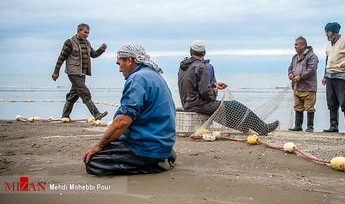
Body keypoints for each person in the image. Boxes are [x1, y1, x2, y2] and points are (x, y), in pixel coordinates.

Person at [83, 42, 176, 176]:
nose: (119, 69)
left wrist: (99, 145)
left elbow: (123, 121)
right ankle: (163, 156)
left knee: (93, 162)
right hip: (162, 142)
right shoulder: (153, 75)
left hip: (147, 144)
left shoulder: (137, 79)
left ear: (129, 60)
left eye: (119, 63)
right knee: (111, 144)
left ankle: (154, 165)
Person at [178, 40, 280, 135]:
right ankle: (263, 128)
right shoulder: (201, 66)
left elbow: (193, 86)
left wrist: (214, 85)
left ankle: (246, 128)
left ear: (190, 52)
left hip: (187, 103)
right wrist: (214, 91)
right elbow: (205, 92)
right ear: (204, 53)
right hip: (197, 104)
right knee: (235, 106)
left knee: (227, 108)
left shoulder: (184, 66)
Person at [52, 23, 108, 120]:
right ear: (78, 31)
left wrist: (101, 50)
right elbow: (61, 58)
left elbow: (93, 54)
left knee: (73, 95)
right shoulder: (69, 42)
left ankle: (65, 116)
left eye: (88, 33)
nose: (87, 34)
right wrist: (56, 72)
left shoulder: (87, 43)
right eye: (85, 32)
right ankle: (96, 114)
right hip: (73, 72)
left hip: (82, 73)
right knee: (85, 92)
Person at [288, 36, 319, 132]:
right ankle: (298, 126)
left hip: (308, 87)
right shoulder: (294, 57)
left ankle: (310, 127)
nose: (295, 46)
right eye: (295, 44)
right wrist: (290, 74)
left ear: (303, 45)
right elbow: (290, 68)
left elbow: (311, 69)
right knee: (298, 107)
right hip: (297, 87)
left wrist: (300, 77)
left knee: (309, 108)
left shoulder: (312, 56)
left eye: (296, 44)